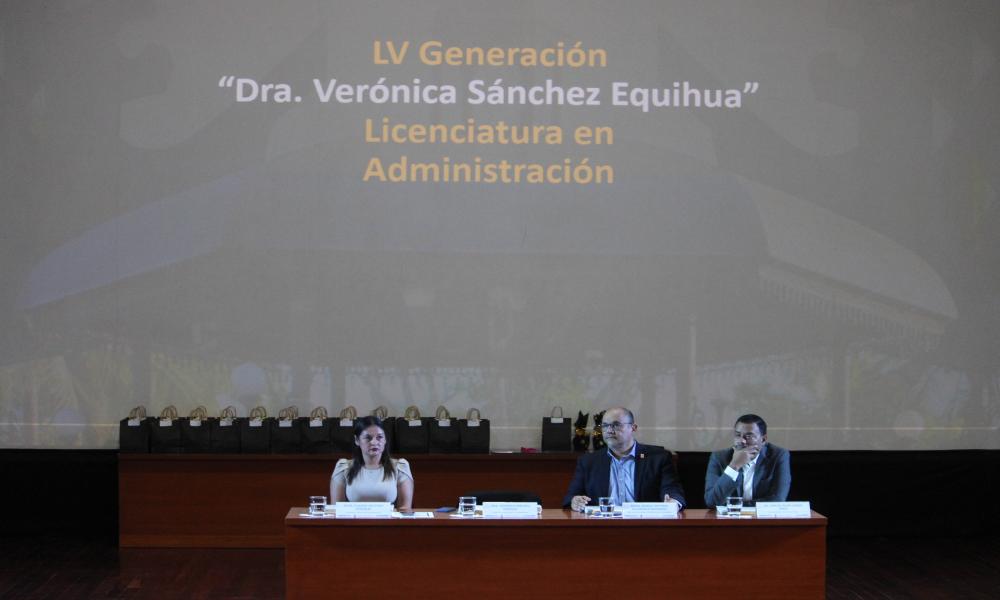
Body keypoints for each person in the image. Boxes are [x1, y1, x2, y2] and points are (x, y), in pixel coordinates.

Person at [563, 407, 686, 511]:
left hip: (645, 526)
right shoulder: (589, 461)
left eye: (616, 425)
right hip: (602, 527)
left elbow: (672, 490)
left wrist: (673, 502)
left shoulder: (658, 458)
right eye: (605, 426)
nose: (609, 430)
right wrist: (575, 501)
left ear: (633, 427)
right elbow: (571, 497)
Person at [704, 413, 790, 507]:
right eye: (738, 435)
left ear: (763, 440)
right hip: (729, 520)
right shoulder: (719, 457)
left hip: (764, 520)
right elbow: (711, 501)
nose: (742, 441)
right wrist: (734, 466)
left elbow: (777, 500)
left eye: (749, 436)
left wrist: (735, 506)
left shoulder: (778, 456)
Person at [331, 415, 414, 509]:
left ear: (385, 439)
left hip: (388, 522)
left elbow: (405, 508)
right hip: (354, 522)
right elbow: (337, 509)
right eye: (368, 438)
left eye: (379, 437)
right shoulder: (343, 467)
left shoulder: (400, 467)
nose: (374, 442)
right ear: (357, 440)